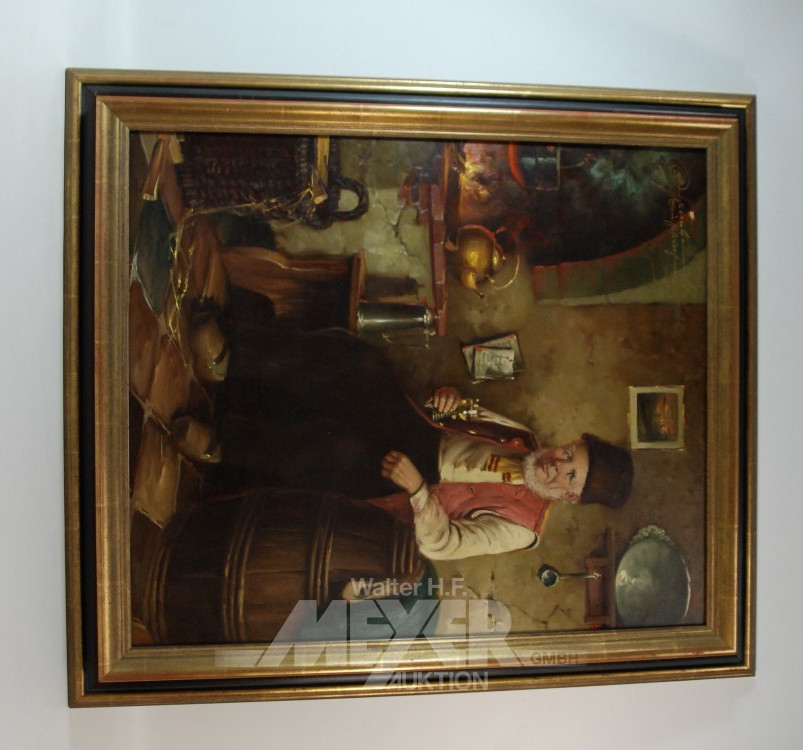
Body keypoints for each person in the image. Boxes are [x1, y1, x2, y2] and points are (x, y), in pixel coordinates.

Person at [376, 386, 634, 560]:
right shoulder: (523, 437)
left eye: (570, 476)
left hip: (394, 500)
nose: (557, 463)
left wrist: (418, 489)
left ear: (570, 496)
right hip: (409, 437)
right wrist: (449, 400)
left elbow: (441, 545)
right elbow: (456, 413)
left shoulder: (523, 529)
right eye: (568, 455)